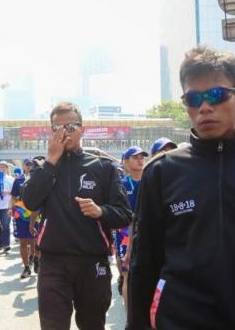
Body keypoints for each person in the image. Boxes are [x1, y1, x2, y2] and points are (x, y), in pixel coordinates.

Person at [128, 46, 235, 329]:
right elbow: (144, 264)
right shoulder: (161, 170)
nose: (204, 107)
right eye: (193, 98)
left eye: (216, 95)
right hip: (180, 319)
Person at [22, 102, 132, 330]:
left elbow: (124, 215)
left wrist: (101, 211)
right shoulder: (43, 167)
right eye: (57, 128)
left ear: (83, 129)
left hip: (93, 262)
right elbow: (30, 202)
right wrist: (51, 161)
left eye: (70, 126)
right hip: (53, 263)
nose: (64, 133)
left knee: (92, 325)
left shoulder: (104, 167)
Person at [114, 146, 146, 308]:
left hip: (148, 231)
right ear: (125, 162)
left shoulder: (152, 180)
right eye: (135, 157)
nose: (140, 159)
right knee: (127, 274)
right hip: (125, 231)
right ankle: (130, 317)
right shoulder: (121, 185)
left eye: (142, 156)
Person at [11, 166, 36, 279]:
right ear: (24, 166)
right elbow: (13, 196)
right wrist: (12, 208)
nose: (29, 166)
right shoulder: (18, 180)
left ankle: (34, 258)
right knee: (23, 241)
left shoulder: (39, 179)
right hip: (21, 214)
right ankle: (26, 267)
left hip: (35, 214)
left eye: (32, 164)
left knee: (35, 241)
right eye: (28, 164)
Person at [0, 161, 14, 253]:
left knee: (6, 225)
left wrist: (7, 192)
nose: (2, 169)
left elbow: (15, 193)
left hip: (7, 205)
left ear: (7, 168)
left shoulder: (11, 179)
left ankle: (6, 244)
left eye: (3, 167)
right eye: (0, 167)